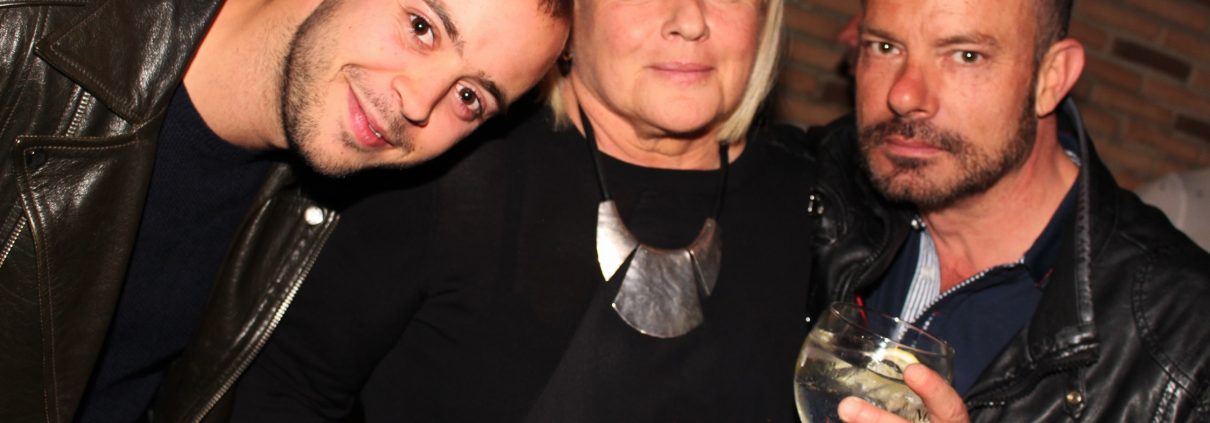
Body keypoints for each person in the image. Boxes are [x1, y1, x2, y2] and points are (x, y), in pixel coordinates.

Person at [230, 0, 821, 420]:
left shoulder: (820, 204)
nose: (689, 21)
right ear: (569, 18)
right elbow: (284, 390)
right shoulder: (446, 161)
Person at [0, 0, 569, 420]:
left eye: (470, 97)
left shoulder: (323, 204)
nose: (417, 103)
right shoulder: (22, 36)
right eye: (421, 27)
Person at [810, 0, 1210, 421]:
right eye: (885, 47)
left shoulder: (1186, 344)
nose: (903, 95)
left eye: (966, 55)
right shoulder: (813, 190)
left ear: (1051, 78)